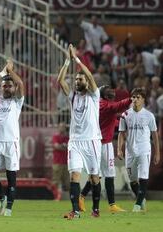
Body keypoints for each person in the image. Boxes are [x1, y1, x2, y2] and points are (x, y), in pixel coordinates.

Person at [57, 44, 102, 219]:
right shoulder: (73, 96)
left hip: (92, 140)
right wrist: (67, 60)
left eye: (80, 80)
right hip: (75, 141)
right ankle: (75, 211)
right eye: (76, 79)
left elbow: (90, 75)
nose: (77, 81)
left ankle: (96, 209)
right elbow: (60, 80)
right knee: (74, 175)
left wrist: (76, 58)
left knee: (94, 178)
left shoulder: (94, 95)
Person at [79, 85, 132, 213]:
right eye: (110, 92)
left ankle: (81, 197)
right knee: (109, 174)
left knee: (98, 174)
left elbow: (110, 119)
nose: (113, 93)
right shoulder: (105, 105)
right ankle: (112, 205)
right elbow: (117, 106)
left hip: (95, 143)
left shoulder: (98, 104)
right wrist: (132, 99)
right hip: (104, 144)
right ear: (104, 95)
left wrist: (120, 120)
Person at [0, 59, 24, 216]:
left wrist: (11, 71)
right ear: (0, 88)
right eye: (4, 86)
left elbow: (20, 84)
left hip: (11, 143)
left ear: (13, 88)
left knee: (11, 176)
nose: (7, 87)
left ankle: (9, 208)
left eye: (9, 85)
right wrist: (3, 72)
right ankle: (2, 197)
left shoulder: (17, 101)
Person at [117, 88, 160, 212]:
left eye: (138, 97)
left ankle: (137, 205)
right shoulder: (125, 115)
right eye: (133, 97)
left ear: (143, 100)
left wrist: (157, 152)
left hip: (144, 150)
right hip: (130, 151)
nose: (135, 99)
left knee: (143, 177)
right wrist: (119, 149)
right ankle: (142, 199)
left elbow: (155, 135)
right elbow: (121, 133)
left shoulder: (149, 115)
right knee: (132, 180)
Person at [51, 122, 70, 199]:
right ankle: (53, 197)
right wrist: (64, 146)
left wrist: (61, 146)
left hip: (66, 162)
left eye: (63, 127)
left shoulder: (67, 138)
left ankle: (68, 198)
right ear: (58, 127)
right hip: (57, 162)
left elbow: (68, 147)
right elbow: (56, 146)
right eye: (61, 126)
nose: (62, 128)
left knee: (67, 182)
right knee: (55, 181)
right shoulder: (56, 136)